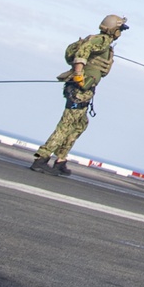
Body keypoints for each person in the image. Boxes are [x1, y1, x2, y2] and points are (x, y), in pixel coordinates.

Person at [30, 15, 128, 177]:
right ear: (114, 29)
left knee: (80, 124)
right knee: (67, 124)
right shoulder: (101, 40)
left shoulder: (105, 44)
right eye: (120, 29)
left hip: (85, 91)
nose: (121, 32)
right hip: (78, 90)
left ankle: (60, 160)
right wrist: (78, 73)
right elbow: (84, 50)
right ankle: (41, 159)